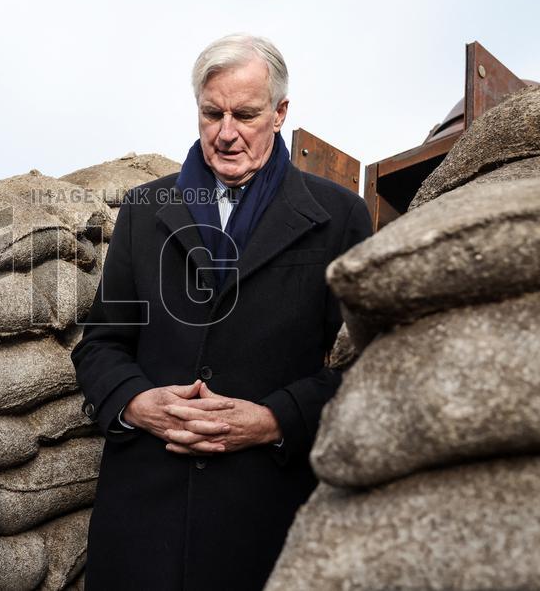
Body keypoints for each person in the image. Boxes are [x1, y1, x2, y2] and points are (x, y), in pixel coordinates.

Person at [71, 34, 372, 591]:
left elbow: (368, 367)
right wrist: (137, 403)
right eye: (212, 113)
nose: (226, 132)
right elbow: (101, 344)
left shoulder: (339, 217)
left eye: (246, 114)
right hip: (143, 521)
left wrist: (275, 419)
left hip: (266, 521)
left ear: (280, 113)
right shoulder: (145, 210)